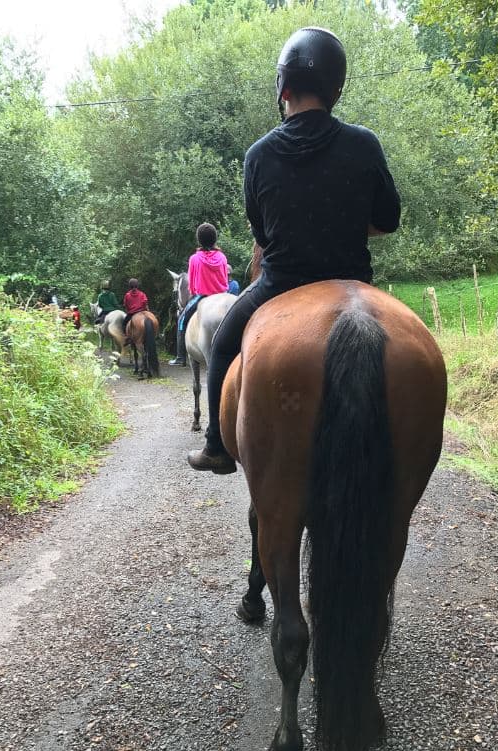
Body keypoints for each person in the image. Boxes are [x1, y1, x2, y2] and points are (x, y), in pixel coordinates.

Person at [187, 26, 401, 474]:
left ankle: (217, 447)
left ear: (282, 85)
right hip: (352, 284)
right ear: (335, 90)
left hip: (280, 286)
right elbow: (388, 221)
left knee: (225, 340)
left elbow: (263, 234)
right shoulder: (364, 143)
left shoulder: (258, 155)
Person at [169, 223, 229, 366]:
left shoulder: (194, 259)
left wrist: (196, 291)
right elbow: (225, 278)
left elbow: (192, 284)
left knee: (182, 320)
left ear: (199, 240)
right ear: (215, 239)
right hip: (222, 296)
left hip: (202, 296)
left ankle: (180, 356)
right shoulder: (222, 257)